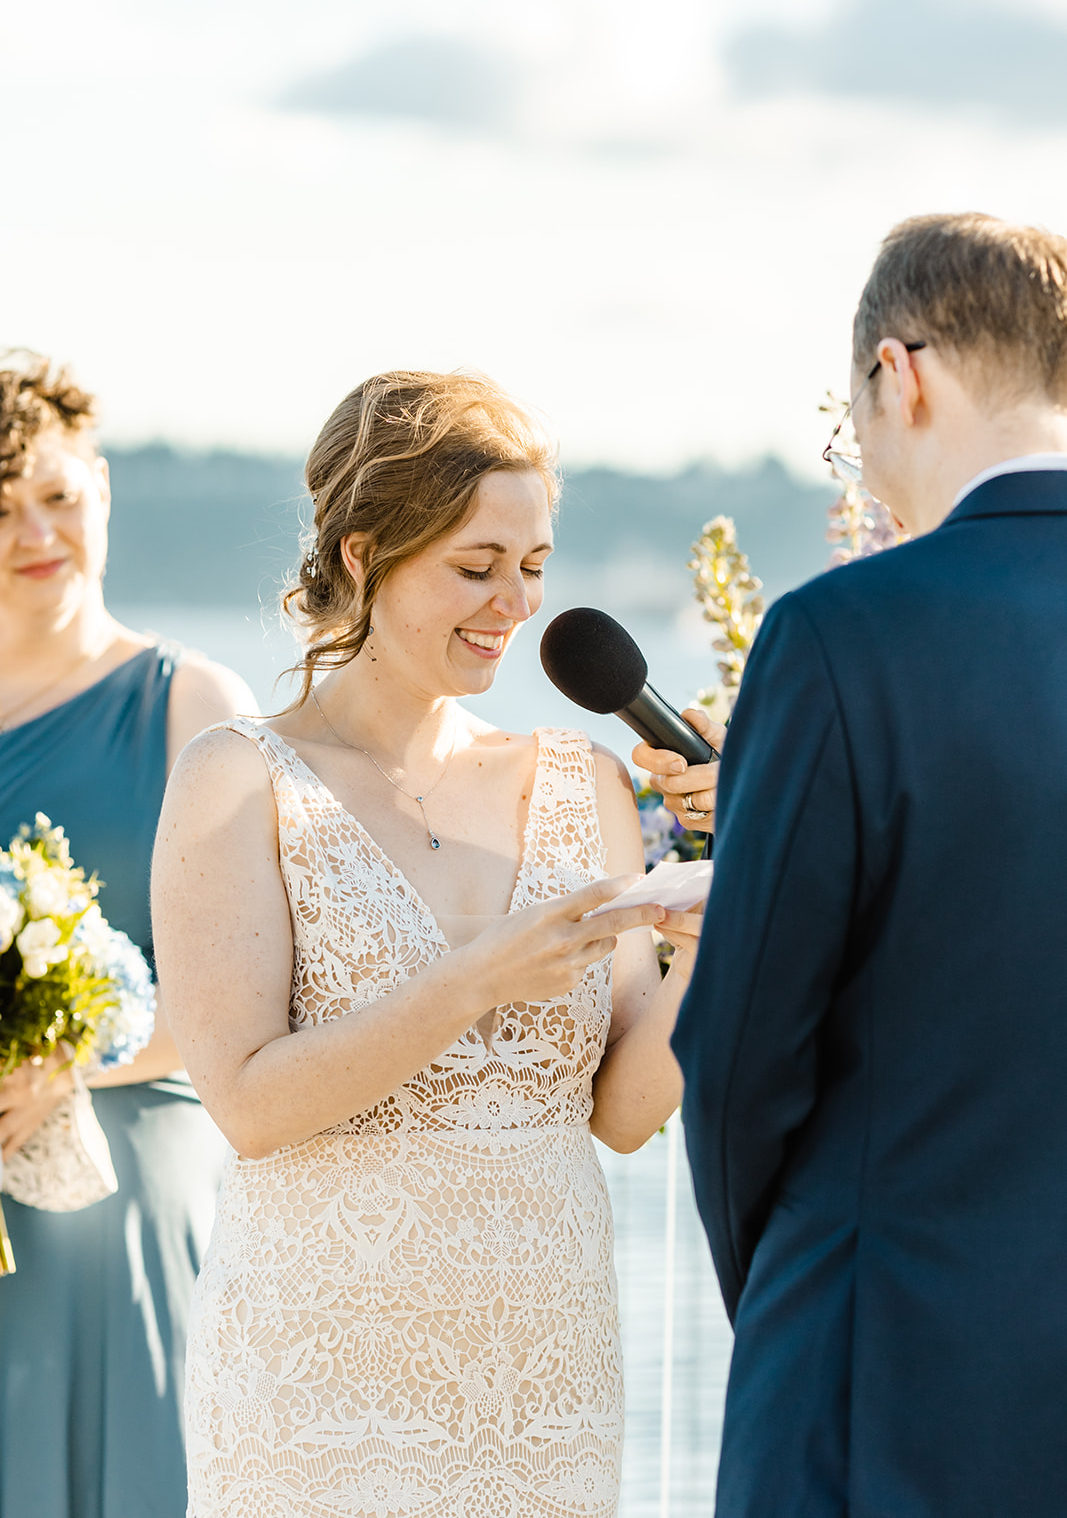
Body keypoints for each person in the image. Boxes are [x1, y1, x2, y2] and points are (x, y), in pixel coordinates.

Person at [151, 369, 701, 1518]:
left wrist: (714, 924)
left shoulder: (581, 781)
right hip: (317, 1403)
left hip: (544, 1392)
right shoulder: (236, 778)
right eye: (474, 566)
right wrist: (475, 980)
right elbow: (247, 1104)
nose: (513, 603)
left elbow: (622, 1111)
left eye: (534, 568)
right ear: (361, 553)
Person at [667, 212, 1067, 1516]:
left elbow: (734, 1053)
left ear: (900, 376)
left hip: (886, 1368)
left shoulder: (844, 637)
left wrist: (787, 1285)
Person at [0, 352, 256, 1518]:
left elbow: (260, 985)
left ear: (101, 487)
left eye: (56, 495)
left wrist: (72, 1063)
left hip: (129, 1154)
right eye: (0, 507)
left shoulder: (189, 702)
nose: (34, 532)